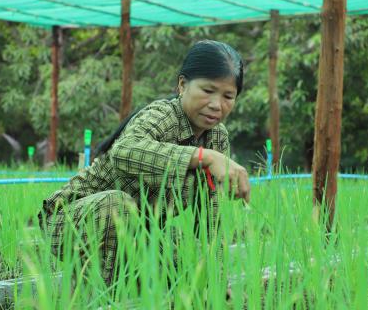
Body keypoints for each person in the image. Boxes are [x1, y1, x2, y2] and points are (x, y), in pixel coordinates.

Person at [39, 39, 251, 285]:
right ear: (182, 85)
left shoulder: (216, 137)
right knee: (116, 205)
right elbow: (124, 151)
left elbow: (209, 221)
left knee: (182, 259)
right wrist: (203, 157)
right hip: (69, 222)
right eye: (207, 90)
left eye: (228, 96)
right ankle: (95, 292)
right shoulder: (162, 116)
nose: (217, 105)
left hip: (137, 229)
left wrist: (215, 282)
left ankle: (128, 283)